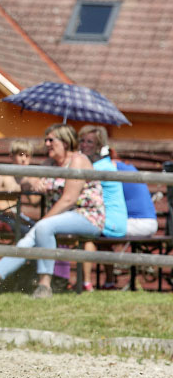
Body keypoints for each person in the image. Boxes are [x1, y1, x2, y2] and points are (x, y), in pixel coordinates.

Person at [0, 123, 105, 299]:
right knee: (29, 240)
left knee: (42, 228)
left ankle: (44, 286)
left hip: (87, 217)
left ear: (65, 142)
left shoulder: (78, 160)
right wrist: (32, 182)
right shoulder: (49, 164)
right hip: (59, 219)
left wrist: (44, 221)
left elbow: (69, 199)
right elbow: (27, 186)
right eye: (46, 140)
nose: (47, 143)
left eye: (51, 140)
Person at [77, 125, 127, 291]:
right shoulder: (101, 164)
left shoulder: (99, 167)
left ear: (98, 146)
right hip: (113, 219)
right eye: (82, 141)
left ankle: (86, 283)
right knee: (97, 235)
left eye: (89, 142)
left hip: (111, 220)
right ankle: (109, 281)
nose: (84, 145)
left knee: (88, 234)